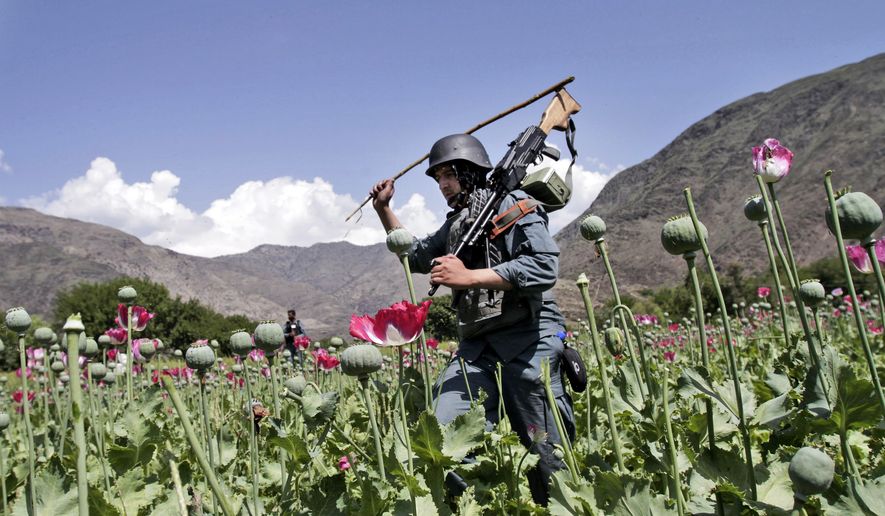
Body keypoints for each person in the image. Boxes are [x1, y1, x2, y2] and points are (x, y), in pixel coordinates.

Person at [369, 133, 574, 505]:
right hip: (478, 347)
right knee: (442, 442)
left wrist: (468, 277)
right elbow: (415, 256)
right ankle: (476, 508)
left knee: (547, 455)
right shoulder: (458, 225)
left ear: (470, 171)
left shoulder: (517, 204)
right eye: (438, 179)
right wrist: (384, 210)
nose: (443, 185)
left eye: (449, 175)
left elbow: (544, 267)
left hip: (529, 338)